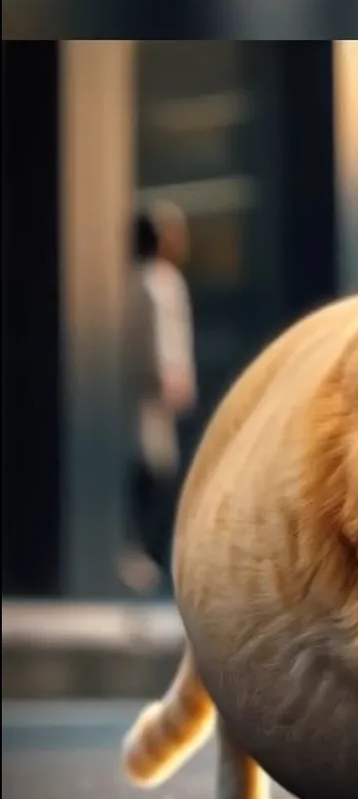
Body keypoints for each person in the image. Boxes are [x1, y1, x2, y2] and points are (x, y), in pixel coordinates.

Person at [119, 204, 197, 594]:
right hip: (154, 393)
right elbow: (164, 336)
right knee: (157, 471)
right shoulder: (161, 282)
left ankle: (141, 552)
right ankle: (145, 554)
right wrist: (174, 377)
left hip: (141, 392)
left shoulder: (136, 278)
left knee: (149, 469)